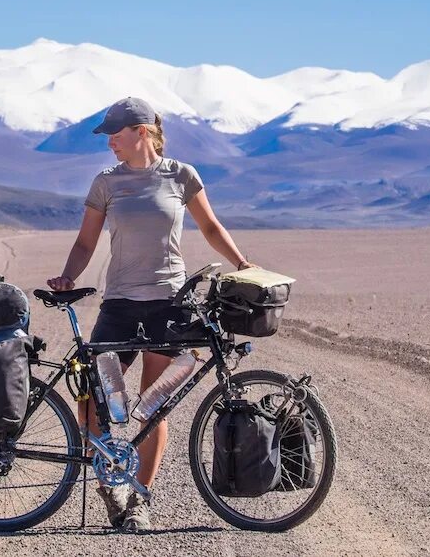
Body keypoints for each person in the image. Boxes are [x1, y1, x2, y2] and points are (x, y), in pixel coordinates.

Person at [46, 97, 258, 532]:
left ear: (142, 132)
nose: (110, 145)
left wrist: (242, 263)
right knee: (93, 403)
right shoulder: (106, 183)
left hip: (169, 305)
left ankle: (139, 499)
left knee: (152, 408)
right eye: (107, 138)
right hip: (120, 304)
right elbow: (85, 243)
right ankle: (111, 483)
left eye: (115, 136)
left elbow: (211, 227)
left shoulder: (181, 175)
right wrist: (68, 277)